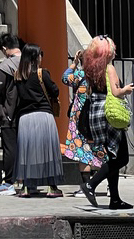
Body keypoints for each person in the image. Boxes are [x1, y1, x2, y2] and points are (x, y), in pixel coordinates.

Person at [79, 35, 133, 210]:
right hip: (109, 114)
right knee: (122, 157)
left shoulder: (91, 69)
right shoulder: (109, 68)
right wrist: (127, 89)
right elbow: (116, 92)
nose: (115, 50)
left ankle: (115, 199)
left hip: (96, 113)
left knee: (111, 156)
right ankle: (91, 184)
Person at [13, 43, 64, 198]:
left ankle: (27, 187)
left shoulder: (18, 75)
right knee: (48, 151)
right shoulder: (42, 73)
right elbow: (55, 90)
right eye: (40, 54)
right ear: (35, 57)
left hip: (25, 118)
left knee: (28, 153)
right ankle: (52, 187)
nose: (42, 57)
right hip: (43, 115)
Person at [62, 47, 106, 196]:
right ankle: (109, 186)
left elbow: (65, 77)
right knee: (101, 150)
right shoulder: (100, 75)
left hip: (79, 119)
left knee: (82, 152)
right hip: (97, 117)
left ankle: (85, 186)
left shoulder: (79, 75)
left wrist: (74, 64)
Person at [0, 33, 22, 195]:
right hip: (27, 112)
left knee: (10, 148)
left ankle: (8, 182)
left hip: (9, 113)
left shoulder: (5, 66)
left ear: (4, 49)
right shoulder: (29, 63)